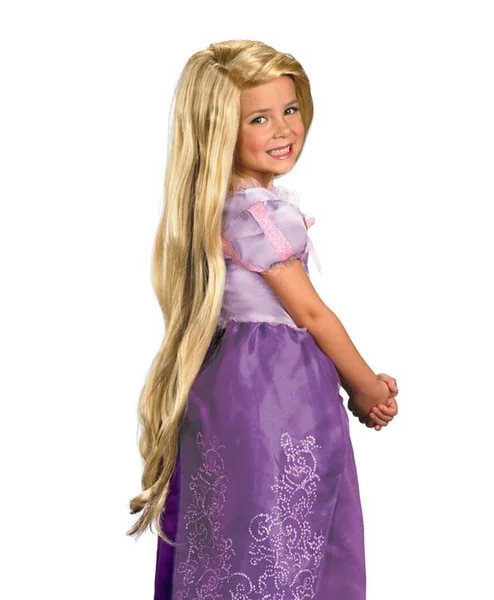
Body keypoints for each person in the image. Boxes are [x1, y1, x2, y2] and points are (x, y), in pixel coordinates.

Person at [127, 40, 400, 600]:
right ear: (218, 130)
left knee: (234, 530)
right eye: (259, 118)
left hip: (225, 390)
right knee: (284, 538)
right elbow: (312, 313)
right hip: (278, 392)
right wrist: (366, 387)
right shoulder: (261, 214)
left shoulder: (216, 209)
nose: (283, 129)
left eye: (290, 110)